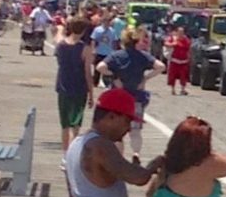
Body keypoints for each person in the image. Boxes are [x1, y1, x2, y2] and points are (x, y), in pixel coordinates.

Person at [97, 27, 165, 157]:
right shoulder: (143, 56)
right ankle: (136, 154)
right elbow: (161, 66)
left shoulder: (116, 55)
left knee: (117, 132)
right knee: (135, 131)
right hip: (136, 98)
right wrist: (145, 78)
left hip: (118, 98)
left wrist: (114, 76)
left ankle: (118, 157)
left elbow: (100, 67)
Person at [55, 16, 94, 152]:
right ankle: (72, 154)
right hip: (79, 87)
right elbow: (88, 73)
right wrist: (91, 94)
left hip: (63, 85)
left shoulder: (61, 44)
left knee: (64, 124)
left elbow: (58, 33)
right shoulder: (85, 49)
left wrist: (61, 27)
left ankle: (65, 155)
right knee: (75, 124)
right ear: (83, 31)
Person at [90, 12, 118, 87]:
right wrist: (93, 50)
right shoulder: (97, 30)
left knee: (107, 68)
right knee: (97, 68)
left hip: (108, 53)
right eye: (106, 21)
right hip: (99, 51)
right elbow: (93, 40)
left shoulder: (112, 31)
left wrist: (115, 51)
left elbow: (114, 41)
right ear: (103, 21)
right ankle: (95, 83)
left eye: (109, 21)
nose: (107, 23)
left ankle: (107, 82)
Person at [165, 26, 191, 96]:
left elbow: (188, 49)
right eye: (179, 32)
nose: (181, 33)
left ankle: (182, 89)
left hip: (183, 61)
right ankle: (173, 90)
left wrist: (189, 58)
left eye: (182, 32)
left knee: (183, 76)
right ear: (176, 32)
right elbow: (166, 43)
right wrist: (172, 44)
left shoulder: (186, 40)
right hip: (174, 60)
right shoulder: (173, 38)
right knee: (172, 76)